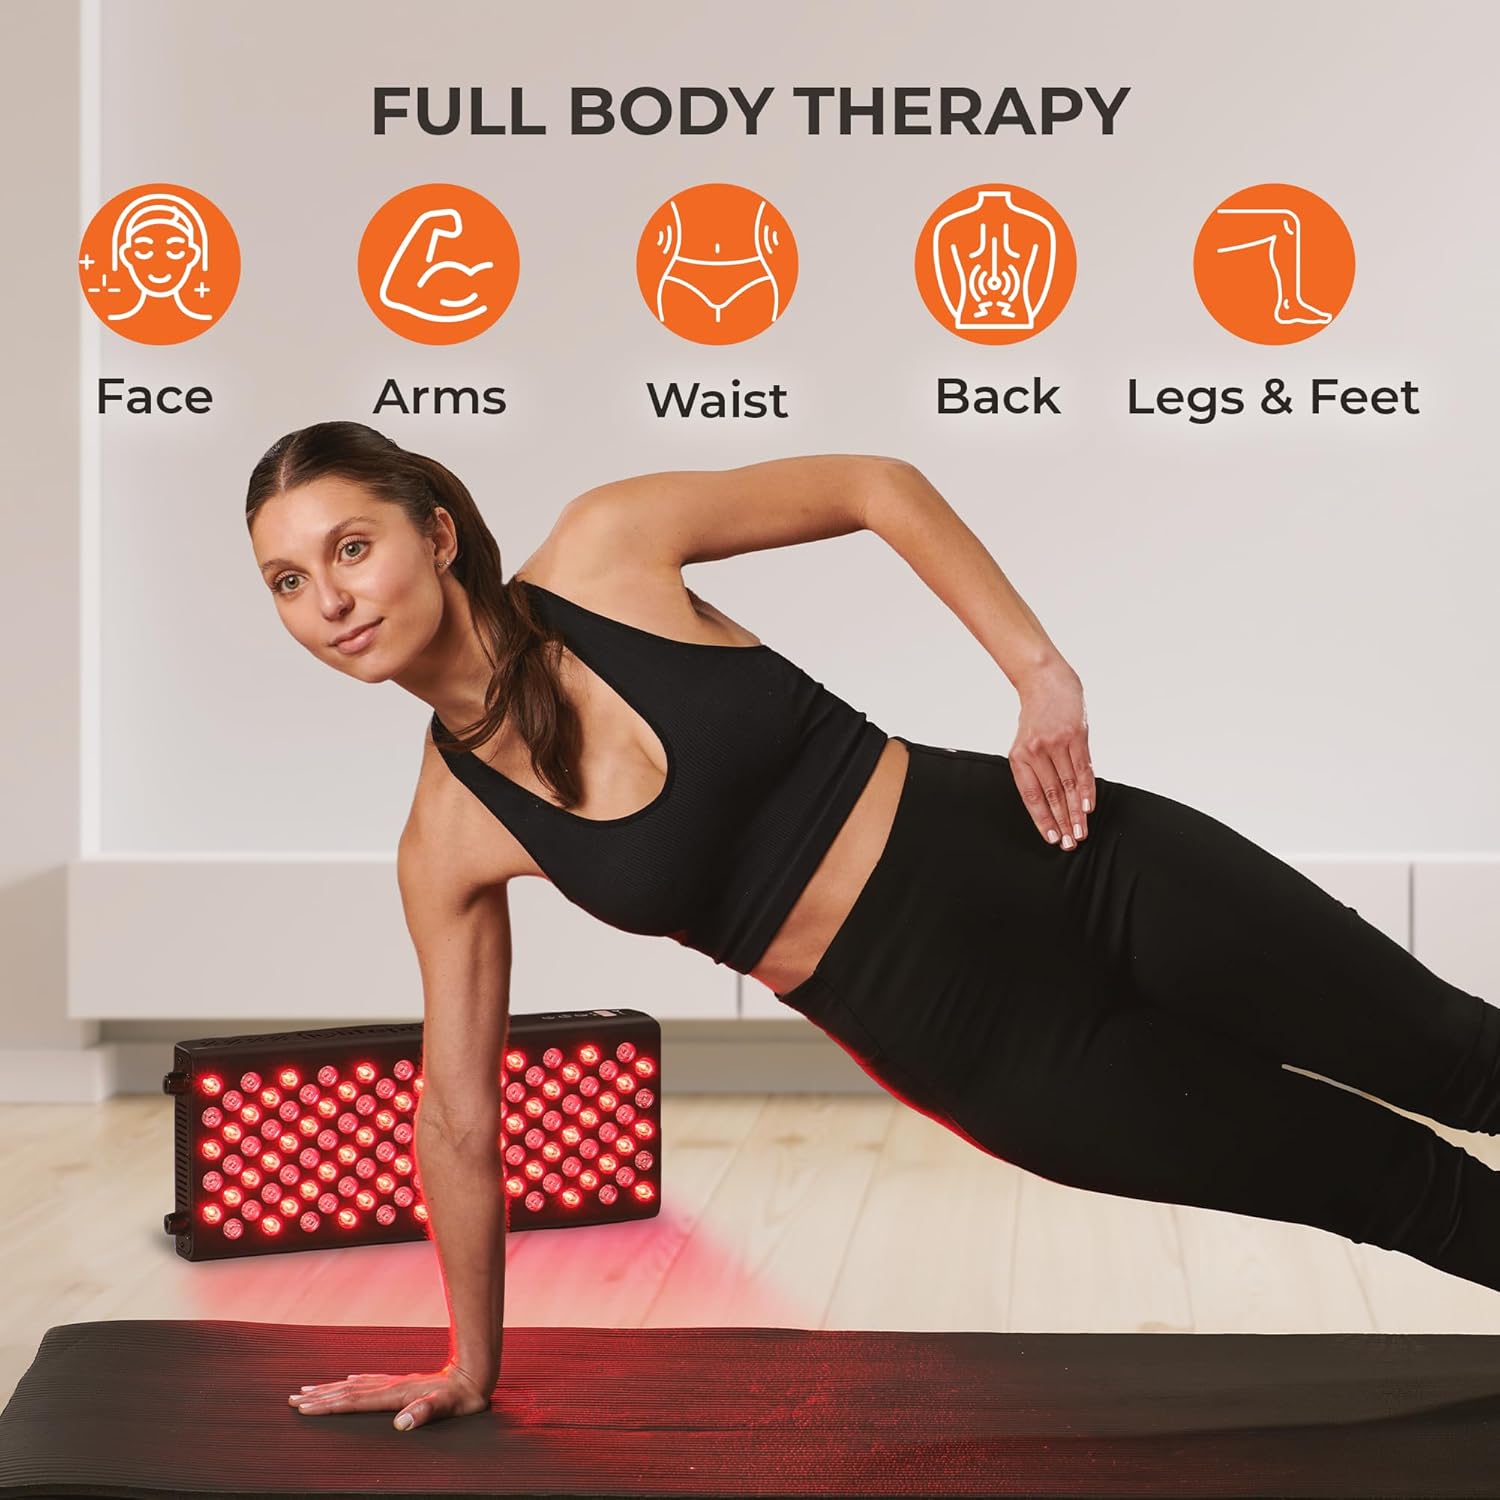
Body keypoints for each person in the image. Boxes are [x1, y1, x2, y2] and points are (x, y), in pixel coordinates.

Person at [249, 421, 1500, 1433]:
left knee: (1463, 1056)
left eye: (352, 548)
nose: (331, 601)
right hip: (996, 1054)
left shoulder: (604, 546)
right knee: (1394, 1189)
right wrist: (470, 1364)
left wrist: (1039, 673)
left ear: (438, 532)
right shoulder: (448, 838)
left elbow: (873, 486)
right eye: (290, 583)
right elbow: (458, 1116)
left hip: (1068, 858)